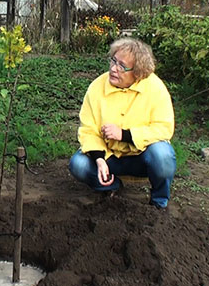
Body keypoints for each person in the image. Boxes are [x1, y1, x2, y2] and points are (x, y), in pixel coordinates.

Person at [68, 37, 176, 209]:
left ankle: (158, 203)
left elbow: (163, 128)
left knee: (162, 155)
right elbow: (88, 130)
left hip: (142, 158)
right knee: (78, 164)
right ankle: (112, 187)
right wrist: (99, 159)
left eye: (122, 66)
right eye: (113, 61)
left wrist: (124, 135)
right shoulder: (97, 87)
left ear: (138, 73)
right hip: (109, 158)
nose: (113, 69)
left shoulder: (156, 88)